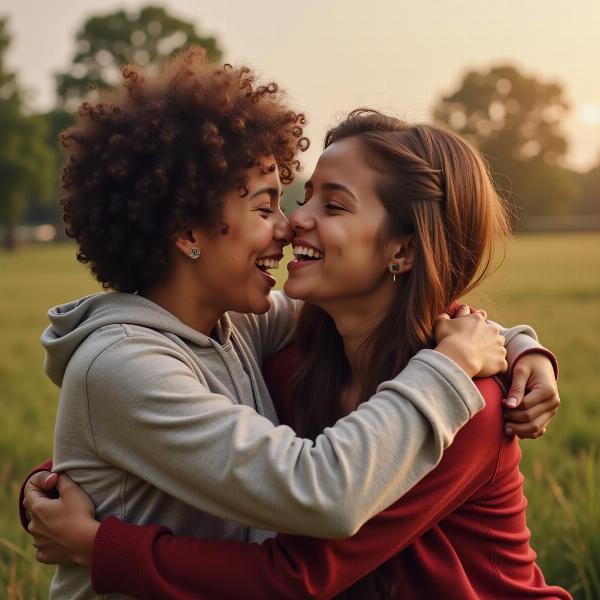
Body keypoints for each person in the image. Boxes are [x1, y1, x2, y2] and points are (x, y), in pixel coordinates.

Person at [22, 50, 560, 599]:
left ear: (403, 249)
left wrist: (518, 349)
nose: (291, 224)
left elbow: (294, 570)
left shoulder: (257, 335)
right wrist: (77, 471)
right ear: (188, 231)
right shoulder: (263, 359)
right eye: (270, 207)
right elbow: (294, 487)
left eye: (333, 205)